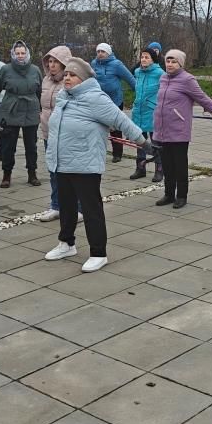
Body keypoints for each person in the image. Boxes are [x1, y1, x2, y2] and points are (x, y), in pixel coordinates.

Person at [44, 59, 149, 271]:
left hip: (86, 165)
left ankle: (99, 253)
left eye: (72, 75)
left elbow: (121, 120)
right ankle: (66, 244)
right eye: (66, 74)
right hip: (61, 163)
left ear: (83, 79)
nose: (67, 78)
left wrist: (143, 143)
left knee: (92, 211)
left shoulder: (96, 98)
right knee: (66, 207)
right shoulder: (64, 96)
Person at [153, 49, 212, 209]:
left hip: (178, 129)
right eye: (168, 61)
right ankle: (169, 194)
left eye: (174, 61)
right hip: (161, 129)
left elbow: (202, 98)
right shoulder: (163, 78)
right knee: (167, 165)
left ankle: (181, 196)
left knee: (179, 165)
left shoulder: (187, 79)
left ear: (181, 64)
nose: (170, 64)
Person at [0, 40, 43, 189]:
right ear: (13, 54)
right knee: (8, 146)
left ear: (27, 54)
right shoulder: (6, 69)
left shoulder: (35, 70)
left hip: (31, 109)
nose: (20, 56)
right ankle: (6, 174)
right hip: (11, 109)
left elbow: (40, 90)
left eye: (23, 53)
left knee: (31, 146)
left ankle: (32, 173)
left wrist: (42, 107)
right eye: (17, 53)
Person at [38, 45, 80, 222]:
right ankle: (56, 206)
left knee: (72, 173)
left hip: (66, 135)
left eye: (56, 61)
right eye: (50, 61)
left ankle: (78, 208)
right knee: (53, 172)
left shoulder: (71, 81)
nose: (52, 65)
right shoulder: (46, 80)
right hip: (49, 134)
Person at [91, 42, 136, 162]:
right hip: (99, 100)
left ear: (108, 53)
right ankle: (99, 152)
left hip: (115, 101)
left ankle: (117, 153)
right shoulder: (94, 63)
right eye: (98, 51)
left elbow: (129, 78)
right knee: (99, 127)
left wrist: (138, 92)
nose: (100, 54)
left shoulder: (116, 64)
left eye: (103, 51)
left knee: (115, 127)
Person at [130, 46, 165, 181]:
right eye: (142, 57)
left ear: (153, 59)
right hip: (139, 111)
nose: (143, 59)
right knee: (140, 141)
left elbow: (165, 92)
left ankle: (159, 169)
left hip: (152, 111)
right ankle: (140, 168)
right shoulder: (137, 72)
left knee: (156, 142)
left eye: (147, 57)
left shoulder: (160, 73)